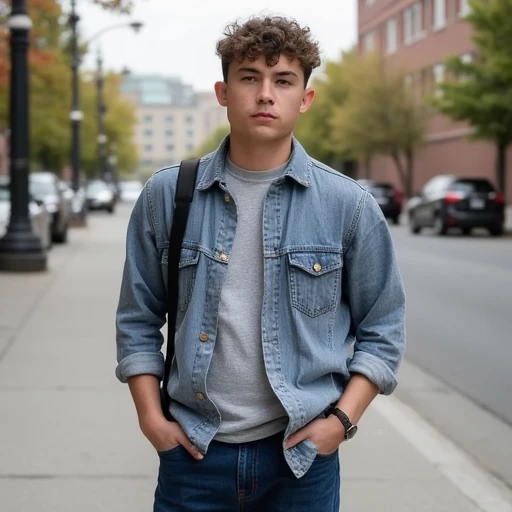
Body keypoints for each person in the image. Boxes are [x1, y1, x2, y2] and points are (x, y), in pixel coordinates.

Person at [116, 15, 406, 512]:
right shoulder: (168, 195)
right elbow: (137, 319)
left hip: (301, 464)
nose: (266, 94)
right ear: (223, 92)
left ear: (305, 98)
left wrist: (339, 424)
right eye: (250, 77)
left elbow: (383, 329)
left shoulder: (347, 205)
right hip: (194, 455)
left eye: (284, 80)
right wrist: (151, 419)